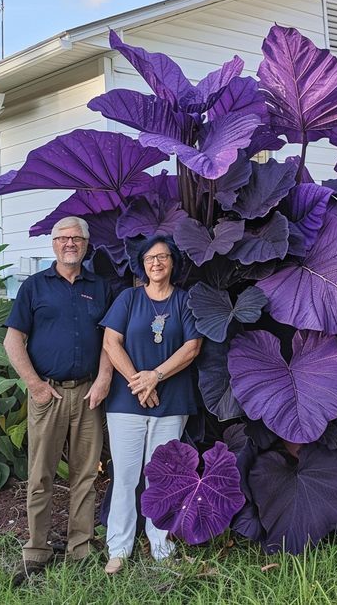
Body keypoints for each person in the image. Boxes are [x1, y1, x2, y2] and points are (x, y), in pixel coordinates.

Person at [4, 216, 113, 585]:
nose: (70, 243)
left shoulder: (100, 287)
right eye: (63, 238)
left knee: (85, 475)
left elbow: (111, 339)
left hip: (88, 394)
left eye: (77, 238)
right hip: (47, 394)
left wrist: (103, 379)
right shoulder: (34, 287)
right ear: (53, 244)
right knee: (40, 476)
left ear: (85, 245)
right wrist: (34, 385)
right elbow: (12, 341)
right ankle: (36, 551)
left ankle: (80, 547)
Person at [100, 235, 202, 574]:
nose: (156, 263)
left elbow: (192, 348)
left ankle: (161, 544)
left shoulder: (185, 301)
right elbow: (111, 342)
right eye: (149, 259)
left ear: (173, 262)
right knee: (126, 476)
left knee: (164, 477)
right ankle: (119, 547)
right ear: (142, 265)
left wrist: (154, 377)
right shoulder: (129, 298)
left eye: (162, 257)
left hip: (170, 401)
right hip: (126, 403)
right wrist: (138, 382)